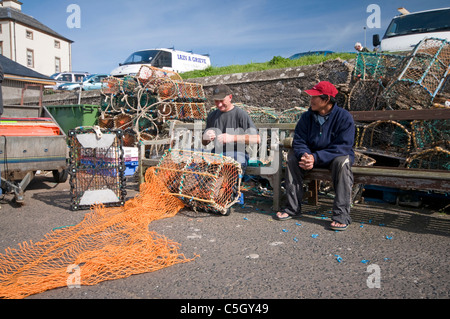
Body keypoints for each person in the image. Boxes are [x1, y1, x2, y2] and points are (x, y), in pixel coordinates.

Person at [275, 81, 355, 231]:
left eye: (315, 97)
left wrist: (316, 157)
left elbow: (343, 146)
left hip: (333, 157)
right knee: (292, 158)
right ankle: (292, 208)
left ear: (326, 100)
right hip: (311, 157)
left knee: (343, 162)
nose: (311, 100)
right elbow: (299, 140)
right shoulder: (307, 117)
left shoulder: (344, 117)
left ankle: (341, 215)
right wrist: (305, 155)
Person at [202, 84, 260, 174]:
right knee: (190, 154)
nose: (219, 104)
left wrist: (232, 138)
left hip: (237, 154)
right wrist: (205, 137)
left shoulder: (240, 114)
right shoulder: (212, 116)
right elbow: (204, 142)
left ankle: (225, 185)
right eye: (216, 101)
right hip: (217, 154)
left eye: (222, 101)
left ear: (230, 97)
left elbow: (256, 139)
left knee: (232, 161)